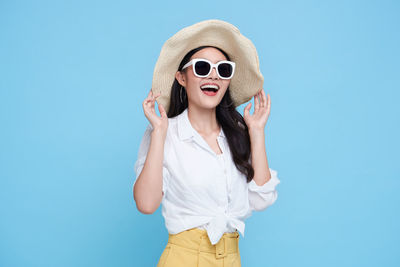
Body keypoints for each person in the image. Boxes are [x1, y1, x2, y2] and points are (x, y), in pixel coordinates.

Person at [133, 19, 281, 267]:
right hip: (184, 257)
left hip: (232, 258)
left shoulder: (237, 133)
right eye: (202, 67)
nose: (213, 74)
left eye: (223, 70)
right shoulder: (165, 133)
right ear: (181, 77)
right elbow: (147, 204)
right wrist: (159, 132)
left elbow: (261, 200)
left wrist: (256, 132)